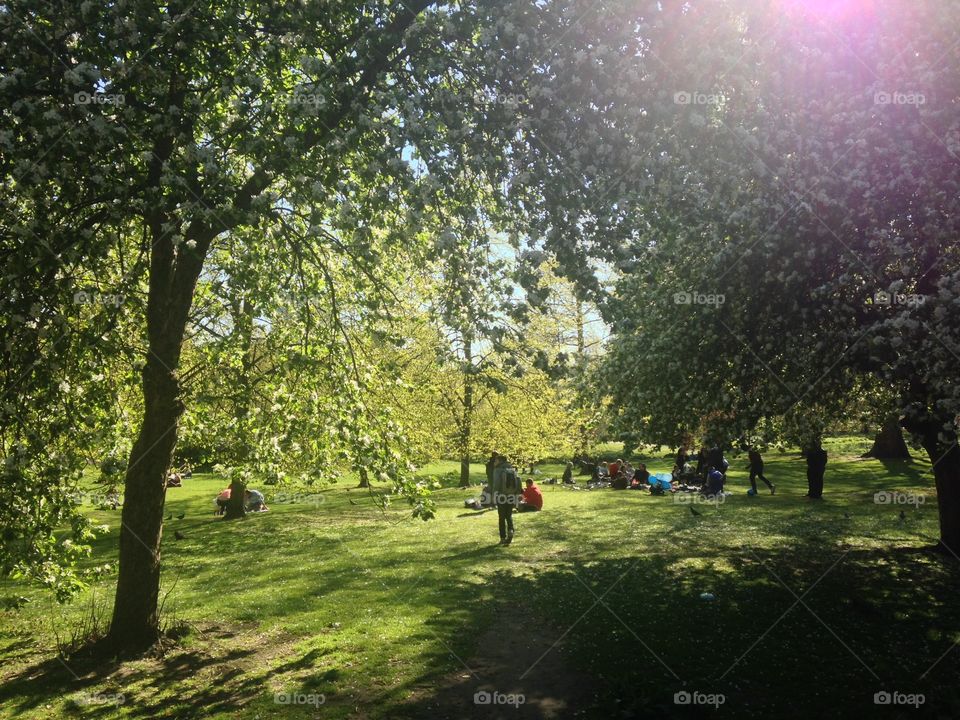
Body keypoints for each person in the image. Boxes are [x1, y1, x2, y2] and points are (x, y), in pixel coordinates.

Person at [492, 455, 519, 544]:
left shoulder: (498, 470)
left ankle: (503, 538)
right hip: (511, 495)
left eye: (496, 460)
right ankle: (510, 530)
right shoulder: (512, 469)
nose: (494, 462)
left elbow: (496, 484)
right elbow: (518, 482)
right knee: (509, 515)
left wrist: (494, 496)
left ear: (500, 461)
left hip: (501, 496)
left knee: (501, 517)